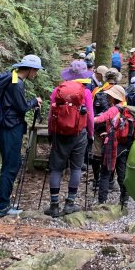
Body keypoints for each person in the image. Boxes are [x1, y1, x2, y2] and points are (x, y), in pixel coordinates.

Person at [0, 55, 43, 217]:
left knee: (11, 163)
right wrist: (34, 101)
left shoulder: (13, 77)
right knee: (12, 165)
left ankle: (1, 199)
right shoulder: (16, 82)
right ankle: (3, 206)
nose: (36, 73)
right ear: (28, 69)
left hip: (5, 126)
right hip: (10, 127)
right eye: (35, 70)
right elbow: (21, 107)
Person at [44, 61, 94, 217]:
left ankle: (54, 206)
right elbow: (90, 116)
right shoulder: (85, 92)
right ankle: (70, 204)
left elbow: (51, 115)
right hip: (79, 134)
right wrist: (90, 134)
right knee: (76, 168)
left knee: (56, 168)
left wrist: (51, 132)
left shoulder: (57, 91)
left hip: (60, 134)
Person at [94, 85, 132, 207]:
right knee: (122, 172)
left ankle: (102, 200)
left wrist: (88, 118)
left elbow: (100, 119)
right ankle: (124, 199)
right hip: (124, 144)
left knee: (105, 172)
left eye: (110, 95)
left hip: (112, 143)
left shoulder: (113, 109)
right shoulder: (126, 109)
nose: (108, 97)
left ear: (114, 97)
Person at [91, 68, 122, 192]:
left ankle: (96, 180)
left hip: (98, 126)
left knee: (96, 153)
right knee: (112, 153)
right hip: (113, 129)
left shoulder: (96, 90)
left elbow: (91, 108)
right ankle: (110, 180)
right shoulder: (119, 92)